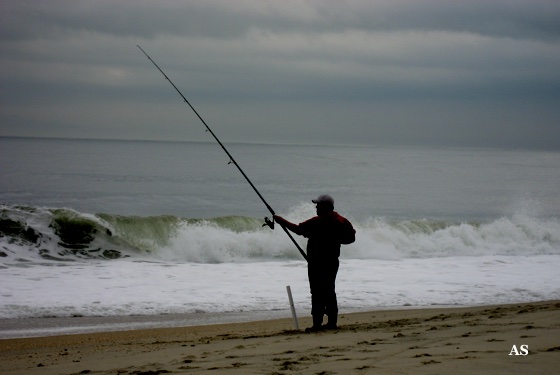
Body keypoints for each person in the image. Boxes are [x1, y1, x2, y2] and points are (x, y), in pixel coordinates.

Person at [273, 194, 355, 332]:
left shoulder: (318, 221)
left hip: (317, 263)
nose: (316, 207)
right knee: (329, 290)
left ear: (326, 206)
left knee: (317, 292)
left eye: (319, 205)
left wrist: (281, 220)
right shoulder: (341, 221)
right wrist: (335, 239)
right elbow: (351, 238)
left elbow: (298, 229)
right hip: (332, 262)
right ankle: (332, 323)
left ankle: (317, 324)